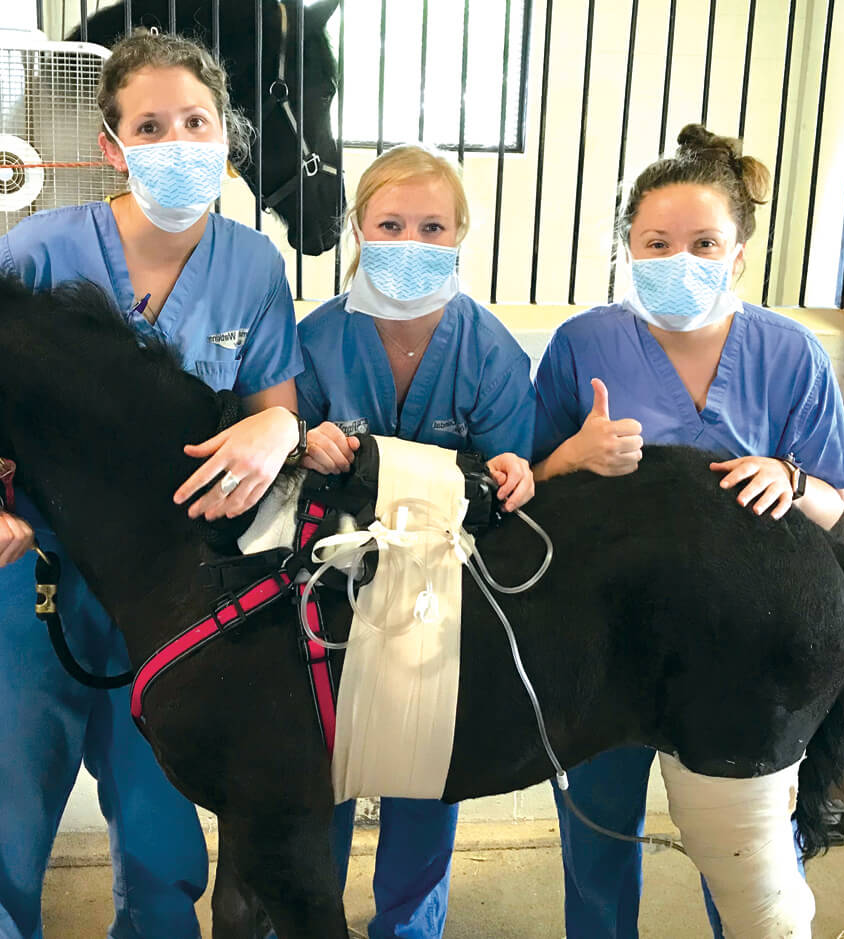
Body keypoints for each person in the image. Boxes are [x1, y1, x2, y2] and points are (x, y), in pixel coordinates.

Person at [0, 31, 308, 939]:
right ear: (111, 147)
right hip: (19, 573)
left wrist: (278, 425)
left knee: (162, 812)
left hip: (166, 582)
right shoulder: (34, 253)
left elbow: (278, 411)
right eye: (150, 125)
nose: (177, 143)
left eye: (196, 122)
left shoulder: (252, 266)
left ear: (226, 134)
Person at [531, 124, 844, 938]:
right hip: (606, 641)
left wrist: (788, 480)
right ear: (627, 252)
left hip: (745, 650)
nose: (679, 260)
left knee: (744, 848)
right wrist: (572, 455)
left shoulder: (791, 354)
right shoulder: (584, 344)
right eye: (657, 242)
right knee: (598, 824)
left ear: (740, 255)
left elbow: (835, 501)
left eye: (704, 242)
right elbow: (525, 489)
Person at [295, 143, 536, 939]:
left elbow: (510, 478)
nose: (412, 241)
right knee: (317, 767)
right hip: (322, 593)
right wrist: (303, 440)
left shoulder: (492, 350)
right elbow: (275, 447)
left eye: (434, 226)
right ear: (359, 228)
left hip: (441, 596)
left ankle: (409, 927)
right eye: (391, 223)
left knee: (427, 771)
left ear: (462, 234)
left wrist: (509, 470)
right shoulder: (315, 338)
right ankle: (305, 919)